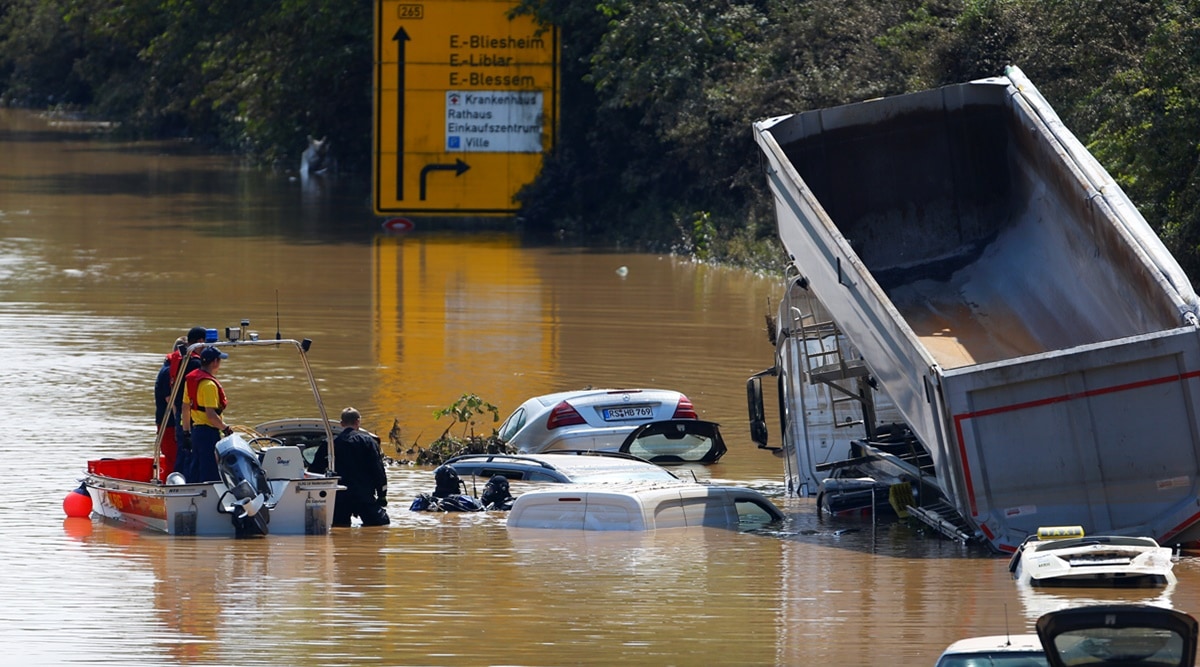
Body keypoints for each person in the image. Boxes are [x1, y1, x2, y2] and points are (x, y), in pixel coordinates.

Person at [310, 407, 390, 527]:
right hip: (363, 496)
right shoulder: (368, 442)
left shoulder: (330, 444)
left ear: (341, 423)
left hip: (339, 497)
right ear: (358, 421)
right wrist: (382, 495)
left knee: (339, 528)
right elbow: (378, 470)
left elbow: (314, 471)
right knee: (381, 525)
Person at [179, 346, 232, 483]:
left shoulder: (191, 381)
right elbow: (211, 415)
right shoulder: (209, 385)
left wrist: (186, 433)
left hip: (196, 433)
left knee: (195, 469)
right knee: (210, 472)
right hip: (209, 434)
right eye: (219, 361)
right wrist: (225, 429)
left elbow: (185, 408)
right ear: (214, 362)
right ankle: (210, 501)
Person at [168, 326, 208, 479]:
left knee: (183, 453)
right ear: (200, 342)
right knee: (191, 455)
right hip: (191, 417)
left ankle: (177, 481)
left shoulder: (182, 360)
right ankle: (188, 485)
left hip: (180, 414)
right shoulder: (195, 364)